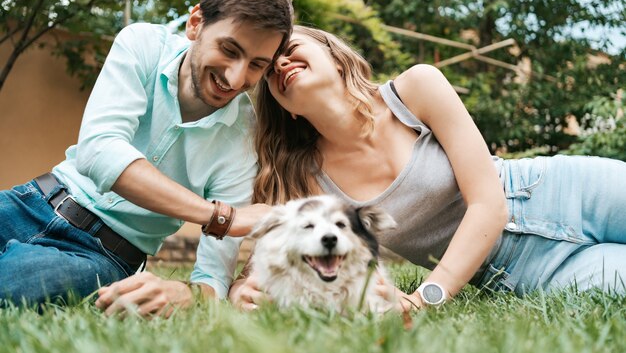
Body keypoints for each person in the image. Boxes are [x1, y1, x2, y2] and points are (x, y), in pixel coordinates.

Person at [229, 25, 626, 311]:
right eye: (269, 71)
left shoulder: (416, 89)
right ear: (286, 110)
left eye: (291, 47)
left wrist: (425, 298)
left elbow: (489, 204)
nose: (280, 64)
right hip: (524, 273)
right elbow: (270, 255)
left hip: (568, 190)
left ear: (334, 55)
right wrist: (242, 290)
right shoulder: (309, 182)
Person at [0, 0, 293, 315]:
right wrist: (221, 217)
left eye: (257, 65)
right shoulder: (144, 44)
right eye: (229, 50)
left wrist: (189, 292)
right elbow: (99, 150)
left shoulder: (244, 137)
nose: (235, 77)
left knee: (12, 285)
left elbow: (213, 275)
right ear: (196, 23)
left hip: (101, 257)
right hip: (31, 202)